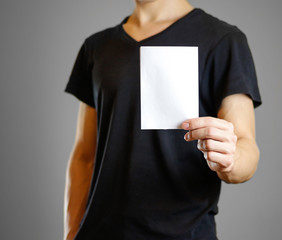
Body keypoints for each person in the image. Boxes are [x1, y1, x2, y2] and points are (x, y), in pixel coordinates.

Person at [63, 0, 262, 239]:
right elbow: (84, 155)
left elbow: (245, 145)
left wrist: (231, 159)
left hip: (183, 233)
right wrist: (71, 233)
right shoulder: (96, 47)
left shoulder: (223, 40)